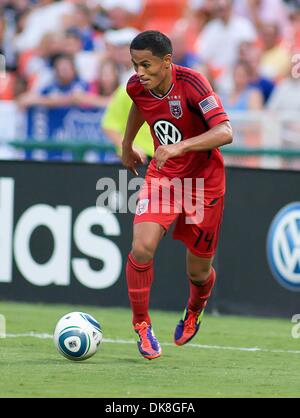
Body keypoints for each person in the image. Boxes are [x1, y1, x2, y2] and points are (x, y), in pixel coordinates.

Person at [122, 30, 233, 360]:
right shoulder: (136, 86)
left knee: (198, 272)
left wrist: (180, 146)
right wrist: (128, 146)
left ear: (167, 62)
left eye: (146, 64)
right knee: (141, 248)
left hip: (203, 183)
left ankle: (195, 309)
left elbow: (226, 131)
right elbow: (139, 106)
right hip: (163, 178)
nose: (139, 72)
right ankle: (142, 326)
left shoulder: (193, 83)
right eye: (134, 64)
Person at [102, 83, 154, 162]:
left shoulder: (173, 92)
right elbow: (109, 126)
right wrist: (129, 148)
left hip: (165, 159)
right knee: (123, 173)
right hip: (137, 159)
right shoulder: (126, 91)